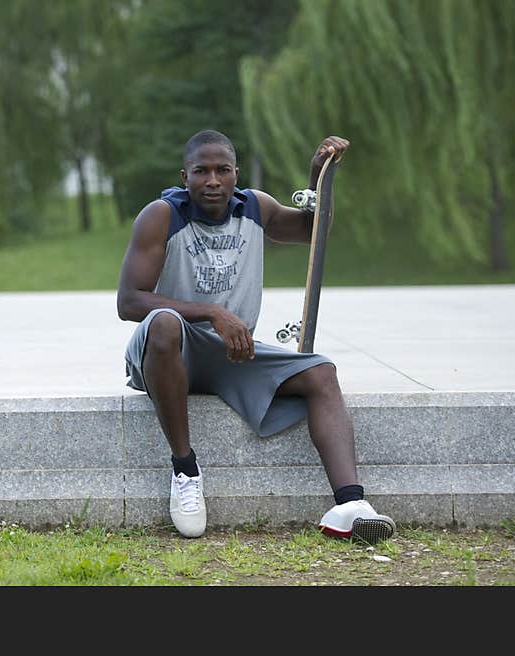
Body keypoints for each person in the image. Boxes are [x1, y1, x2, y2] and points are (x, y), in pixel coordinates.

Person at [116, 129, 395, 543]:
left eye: (222, 170)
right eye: (202, 171)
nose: (213, 180)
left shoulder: (254, 207)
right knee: (163, 323)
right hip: (169, 349)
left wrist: (317, 177)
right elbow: (129, 301)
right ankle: (185, 470)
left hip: (232, 353)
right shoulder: (161, 215)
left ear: (235, 173)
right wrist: (213, 312)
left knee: (321, 374)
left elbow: (312, 232)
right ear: (185, 176)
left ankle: (350, 505)